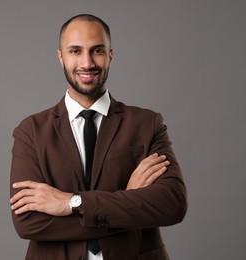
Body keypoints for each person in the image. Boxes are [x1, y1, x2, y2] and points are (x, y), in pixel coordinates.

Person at [10, 14, 187, 260]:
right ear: (60, 57)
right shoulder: (30, 131)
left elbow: (172, 204)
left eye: (97, 50)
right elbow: (28, 223)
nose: (87, 62)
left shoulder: (147, 124)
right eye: (75, 51)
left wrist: (71, 203)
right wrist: (129, 199)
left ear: (110, 56)